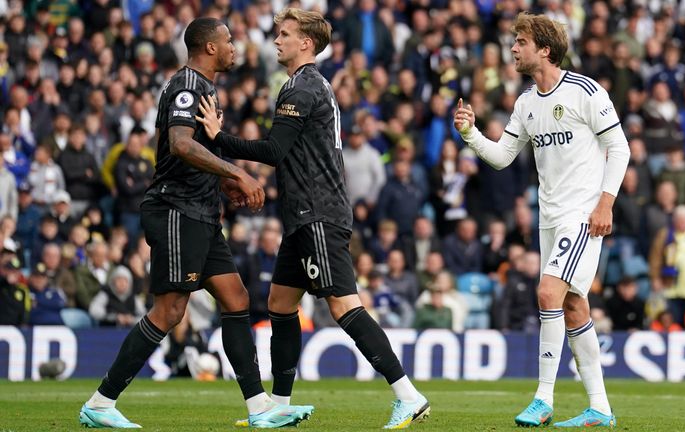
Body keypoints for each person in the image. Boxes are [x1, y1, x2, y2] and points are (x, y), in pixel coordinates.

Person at [195, 8, 429, 429]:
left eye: (284, 34)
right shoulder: (307, 85)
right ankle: (280, 403)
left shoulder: (301, 88)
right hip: (303, 215)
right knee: (280, 304)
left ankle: (408, 395)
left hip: (317, 213)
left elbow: (273, 151)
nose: (276, 40)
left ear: (306, 42)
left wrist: (218, 139)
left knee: (343, 305)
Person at [78, 17, 313, 429]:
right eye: (228, 39)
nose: (234, 45)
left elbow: (183, 154)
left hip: (202, 211)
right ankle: (101, 402)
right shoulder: (188, 84)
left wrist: (223, 183)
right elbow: (179, 144)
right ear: (209, 47)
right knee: (169, 311)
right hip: (176, 210)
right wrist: (237, 173)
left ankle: (260, 409)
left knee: (236, 299)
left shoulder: (203, 87)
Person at [454, 12, 629, 428]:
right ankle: (600, 408)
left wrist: (605, 204)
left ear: (544, 49)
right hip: (548, 220)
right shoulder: (526, 103)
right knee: (572, 306)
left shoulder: (585, 91)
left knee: (548, 292)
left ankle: (543, 398)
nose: (512, 48)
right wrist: (470, 134)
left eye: (520, 41)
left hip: (582, 217)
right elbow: (501, 157)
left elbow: (619, 148)